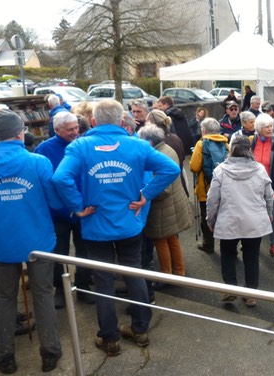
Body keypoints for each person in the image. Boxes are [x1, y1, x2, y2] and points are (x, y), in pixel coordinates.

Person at [52, 99, 180, 356]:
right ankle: (141, 329)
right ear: (122, 122)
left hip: (95, 224)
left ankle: (109, 338)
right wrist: (147, 194)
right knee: (134, 272)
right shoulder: (137, 145)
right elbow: (171, 168)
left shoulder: (80, 146)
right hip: (129, 223)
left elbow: (60, 178)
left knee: (104, 280)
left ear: (94, 122)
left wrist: (77, 206)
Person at [0, 109, 63, 373]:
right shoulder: (38, 162)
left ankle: (4, 355)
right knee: (43, 294)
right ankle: (50, 351)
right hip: (38, 240)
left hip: (2, 242)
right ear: (20, 133)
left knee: (5, 297)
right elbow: (54, 201)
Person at [206, 136, 273, 307]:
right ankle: (250, 294)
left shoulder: (220, 170)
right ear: (249, 149)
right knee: (252, 256)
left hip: (229, 219)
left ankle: (230, 288)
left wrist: (210, 219)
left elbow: (212, 199)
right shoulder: (259, 169)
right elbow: (269, 196)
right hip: (254, 220)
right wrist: (269, 213)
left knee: (228, 253)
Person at [35, 112, 94, 307]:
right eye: (70, 129)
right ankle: (60, 289)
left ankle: (84, 287)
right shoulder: (43, 150)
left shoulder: (84, 144)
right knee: (59, 252)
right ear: (57, 129)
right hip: (58, 211)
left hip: (84, 209)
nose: (76, 132)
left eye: (77, 127)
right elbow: (45, 182)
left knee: (84, 250)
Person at [138, 124, 192, 280]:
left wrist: (144, 194)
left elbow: (163, 189)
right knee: (172, 240)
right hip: (174, 204)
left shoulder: (158, 155)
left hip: (162, 208)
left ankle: (167, 275)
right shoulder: (168, 149)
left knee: (161, 242)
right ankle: (179, 271)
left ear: (150, 141)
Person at [189, 118, 229, 254]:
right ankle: (229, 247)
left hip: (206, 187)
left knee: (206, 215)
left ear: (204, 131)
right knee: (225, 216)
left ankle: (208, 244)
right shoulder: (226, 143)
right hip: (224, 187)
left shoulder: (201, 144)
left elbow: (194, 167)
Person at [250, 113, 274, 260]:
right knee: (253, 215)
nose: (271, 129)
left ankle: (273, 245)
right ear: (259, 128)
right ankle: (252, 243)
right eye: (267, 126)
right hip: (253, 186)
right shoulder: (252, 141)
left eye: (272, 126)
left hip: (271, 186)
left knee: (272, 216)